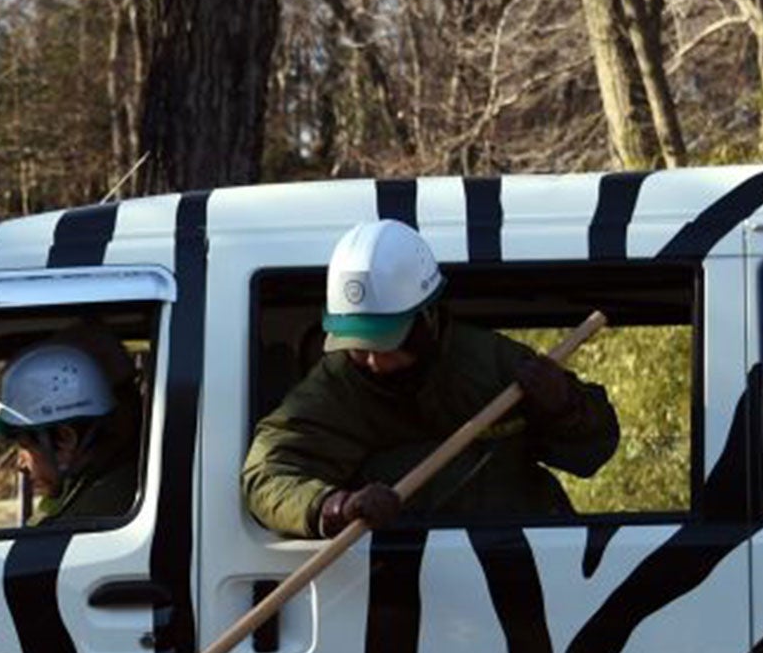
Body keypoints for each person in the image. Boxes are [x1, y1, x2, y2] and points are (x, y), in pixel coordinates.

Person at [242, 220, 620, 538]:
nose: (372, 361)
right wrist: (335, 507)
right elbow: (265, 476)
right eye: (358, 347)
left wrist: (565, 408)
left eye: (385, 344)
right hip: (395, 585)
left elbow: (594, 453)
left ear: (426, 320)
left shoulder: (491, 362)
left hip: (521, 564)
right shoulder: (333, 389)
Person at [0, 340, 143, 526]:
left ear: (66, 440)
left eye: (24, 446)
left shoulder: (91, 516)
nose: (20, 464)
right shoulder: (98, 486)